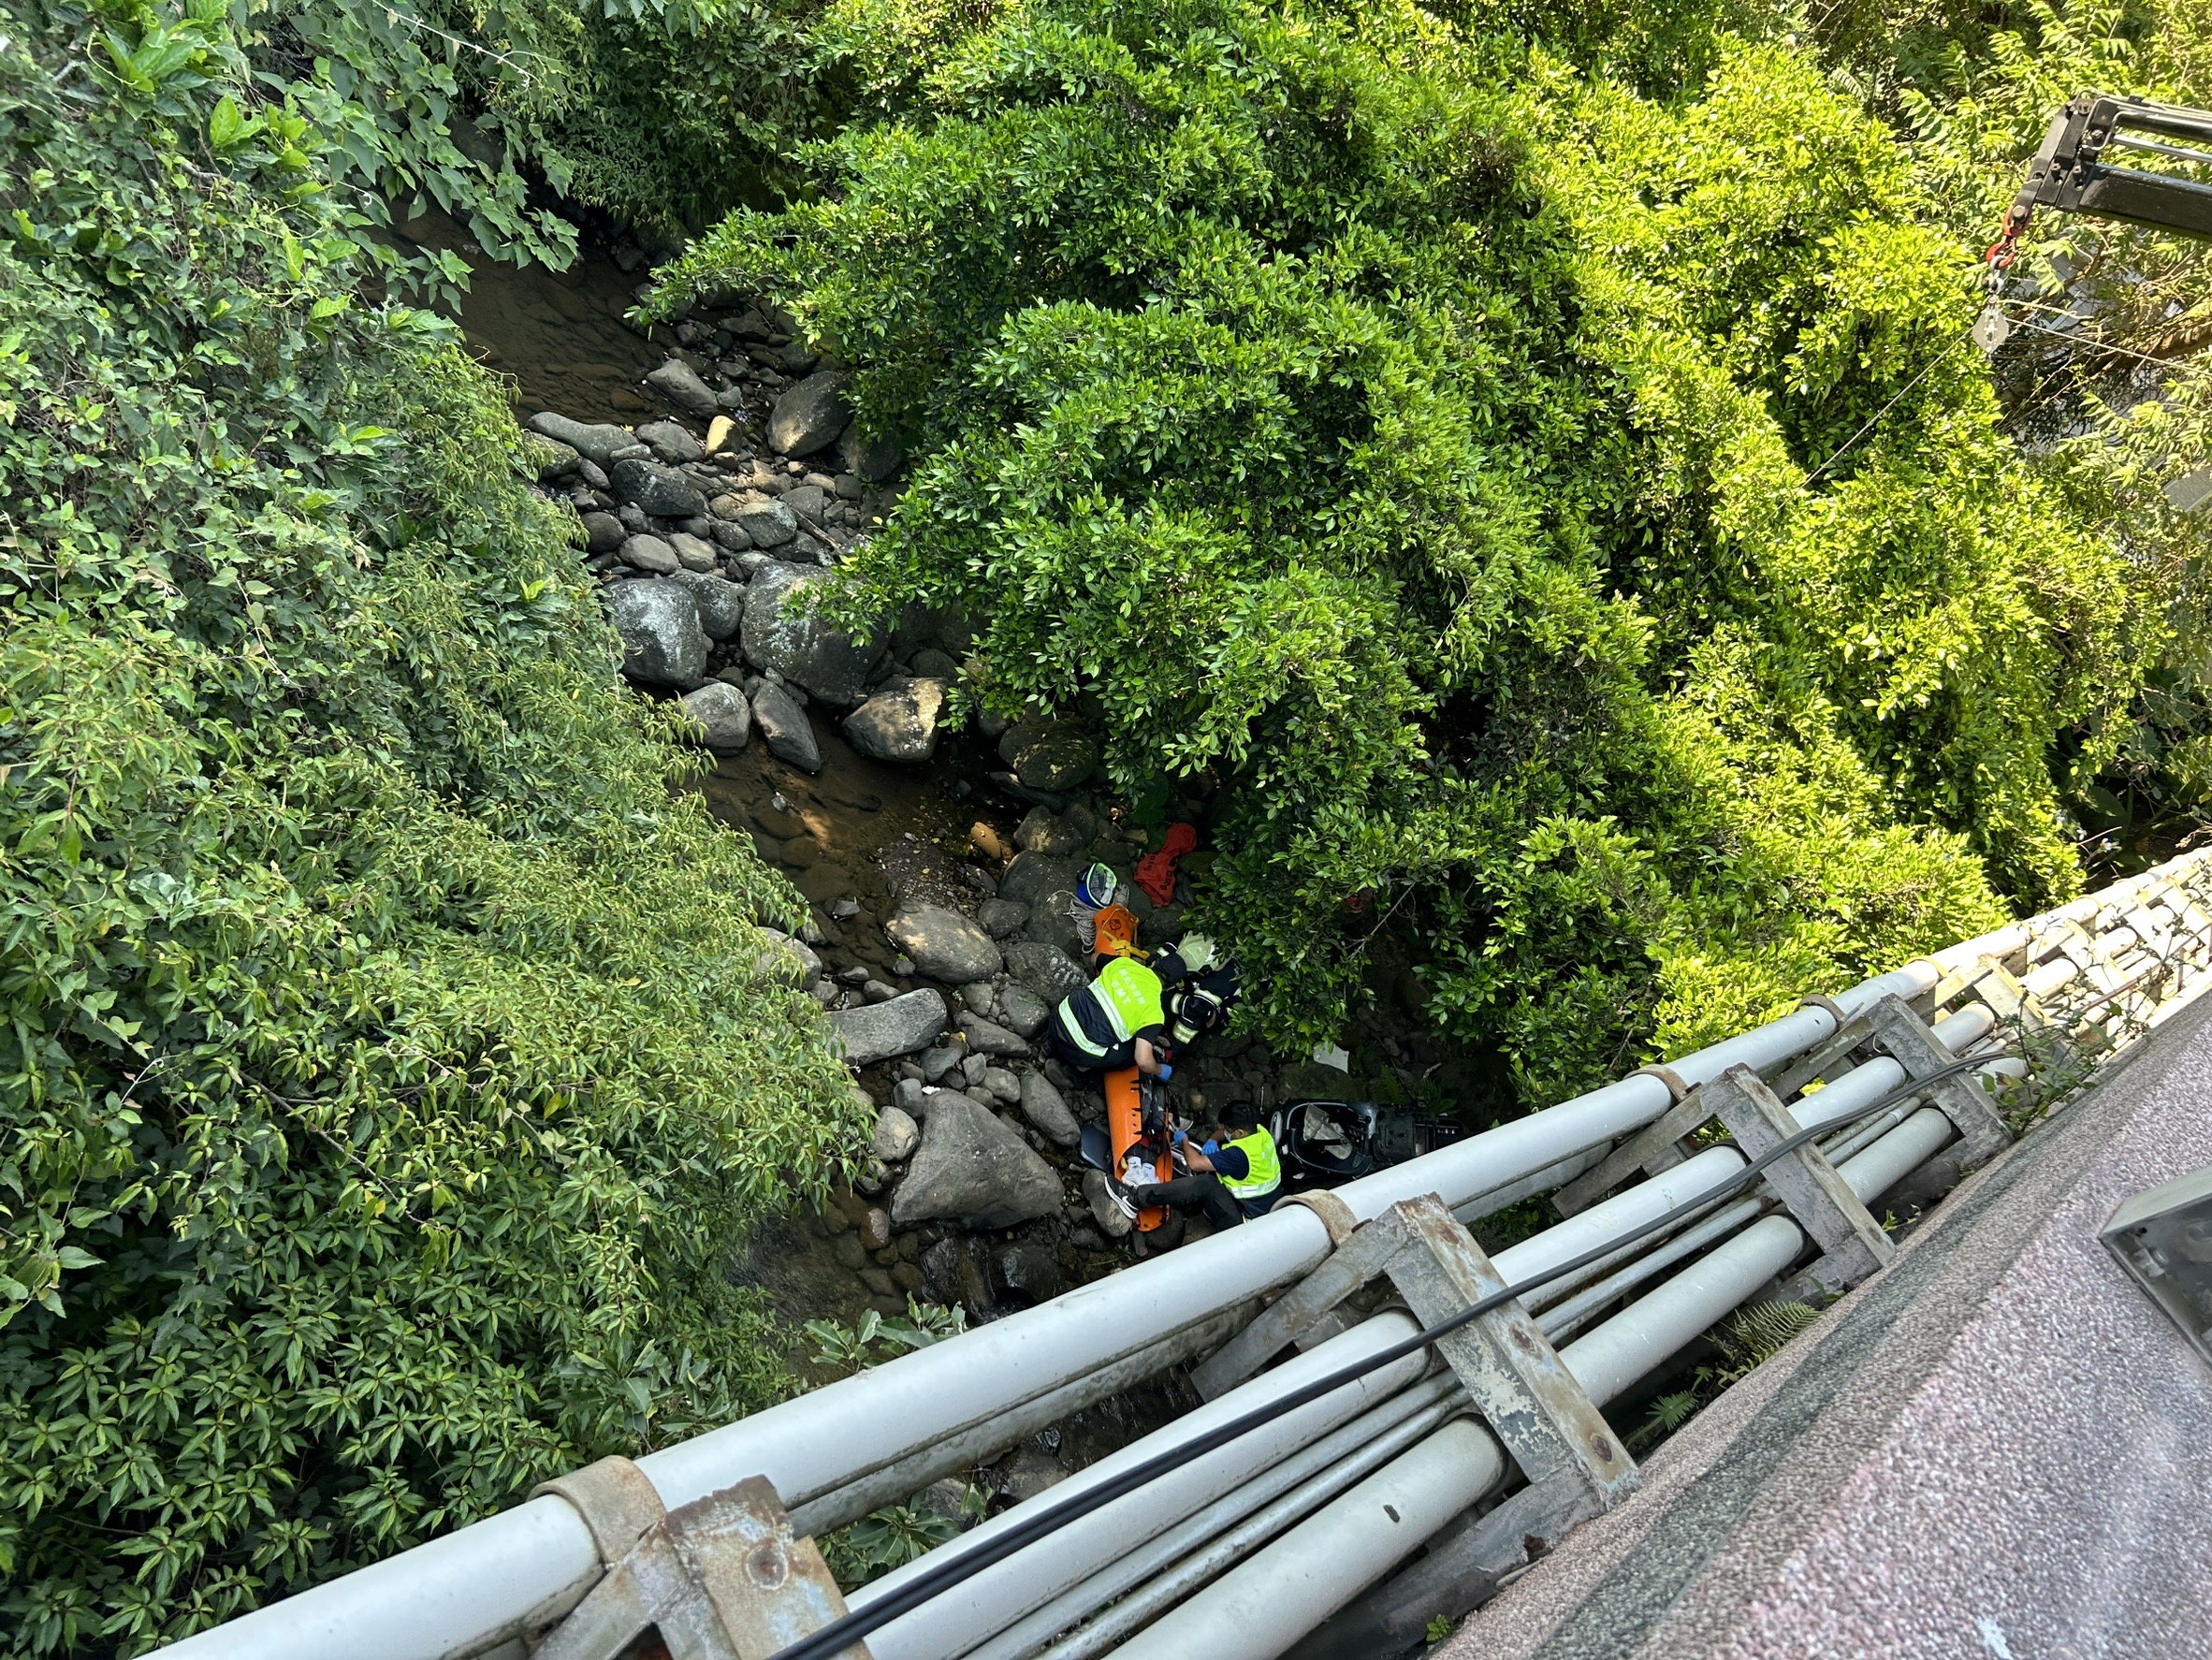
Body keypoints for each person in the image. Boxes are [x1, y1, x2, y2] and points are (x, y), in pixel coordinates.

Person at [1110, 1100, 1281, 1229]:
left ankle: (1135, 1198)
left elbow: (1194, 1163)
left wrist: (1184, 1141)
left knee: (1205, 1184)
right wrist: (1213, 1140)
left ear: (1240, 1132)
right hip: (1263, 1210)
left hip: (1245, 1223)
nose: (1223, 1131)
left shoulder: (1239, 1155)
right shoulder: (1260, 1132)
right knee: (1214, 1167)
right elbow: (1223, 1133)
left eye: (1227, 1129)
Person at [1050, 941, 1173, 1080]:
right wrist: (1159, 1070)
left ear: (1153, 964)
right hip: (1077, 1050)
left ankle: (1050, 1046)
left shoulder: (1125, 963)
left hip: (1057, 1018)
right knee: (1131, 1054)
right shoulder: (1154, 1013)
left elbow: (1094, 958)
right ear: (1170, 988)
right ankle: (1080, 1070)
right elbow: (1143, 1061)